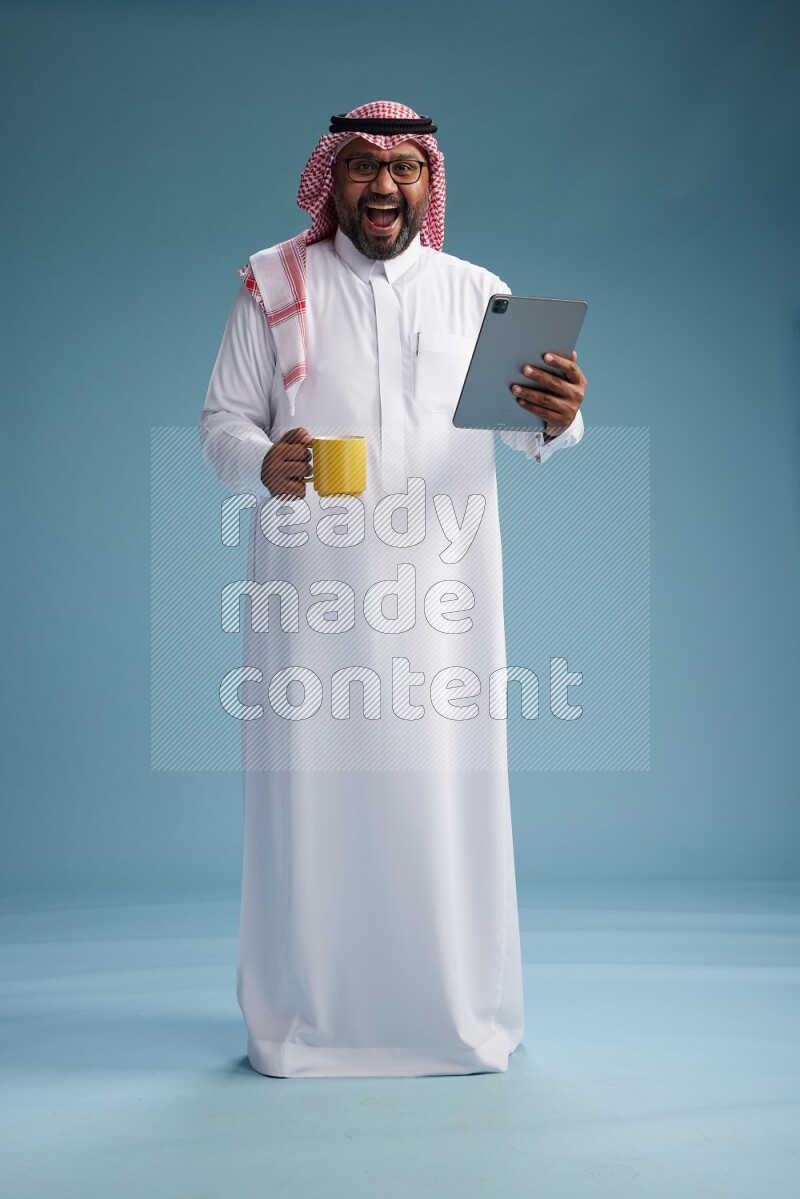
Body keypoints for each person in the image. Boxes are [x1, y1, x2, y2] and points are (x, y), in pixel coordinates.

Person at [200, 100, 587, 1079]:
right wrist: (261, 461)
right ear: (331, 178)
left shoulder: (477, 294)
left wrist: (558, 416)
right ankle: (306, 1023)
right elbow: (222, 422)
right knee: (313, 804)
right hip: (312, 604)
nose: (383, 184)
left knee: (443, 801)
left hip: (446, 605)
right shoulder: (272, 283)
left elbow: (531, 430)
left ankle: (452, 1016)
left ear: (428, 182)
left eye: (404, 167)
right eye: (363, 165)